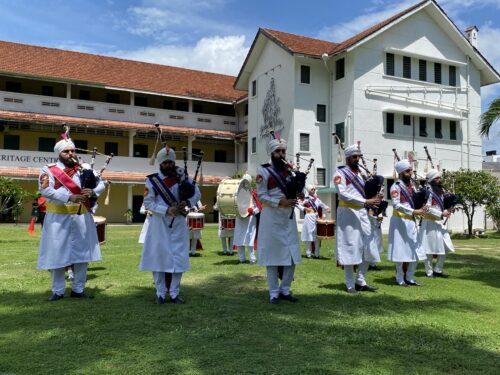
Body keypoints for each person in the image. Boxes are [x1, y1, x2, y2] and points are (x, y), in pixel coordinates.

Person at [37, 135, 105, 301]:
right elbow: (45, 190)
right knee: (57, 254)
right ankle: (58, 291)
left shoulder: (85, 167)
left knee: (82, 255)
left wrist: (93, 191)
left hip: (81, 217)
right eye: (66, 151)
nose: (70, 153)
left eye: (73, 150)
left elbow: (101, 183)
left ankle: (78, 289)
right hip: (58, 219)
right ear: (59, 153)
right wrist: (69, 197)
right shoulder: (48, 170)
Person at [139, 145, 201, 304]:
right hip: (159, 224)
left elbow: (197, 193)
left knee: (178, 257)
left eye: (171, 162)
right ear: (160, 164)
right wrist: (166, 209)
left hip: (179, 222)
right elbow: (148, 203)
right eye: (166, 163)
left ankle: (174, 293)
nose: (169, 165)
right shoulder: (152, 180)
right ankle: (160, 293)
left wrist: (187, 202)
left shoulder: (183, 177)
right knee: (159, 259)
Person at [256, 136, 301, 304]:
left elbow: (296, 188)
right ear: (271, 152)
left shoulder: (290, 170)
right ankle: (273, 293)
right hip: (272, 217)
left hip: (288, 218)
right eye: (278, 151)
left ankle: (285, 290)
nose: (281, 154)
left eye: (283, 151)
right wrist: (280, 202)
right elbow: (261, 195)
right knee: (272, 257)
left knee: (291, 255)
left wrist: (300, 192)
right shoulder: (263, 171)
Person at [333, 144, 382, 293]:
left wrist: (375, 196)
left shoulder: (362, 173)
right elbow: (342, 194)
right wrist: (365, 201)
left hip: (362, 212)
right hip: (347, 212)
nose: (357, 159)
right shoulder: (340, 173)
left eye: (359, 156)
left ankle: (361, 280)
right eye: (354, 156)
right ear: (347, 158)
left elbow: (365, 193)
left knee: (368, 246)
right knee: (350, 246)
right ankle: (349, 284)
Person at [387, 159, 428, 286]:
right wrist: (414, 211)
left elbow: (415, 200)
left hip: (410, 221)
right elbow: (396, 205)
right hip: (399, 221)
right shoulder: (395, 187)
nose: (411, 173)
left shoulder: (412, 186)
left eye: (411, 170)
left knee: (415, 249)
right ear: (401, 172)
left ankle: (410, 277)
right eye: (408, 171)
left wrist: (423, 204)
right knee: (400, 250)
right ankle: (400, 278)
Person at [419, 169, 455, 278]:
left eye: (439, 178)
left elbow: (441, 206)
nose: (439, 180)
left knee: (444, 246)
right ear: (431, 180)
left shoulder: (439, 191)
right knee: (429, 249)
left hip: (439, 222)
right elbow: (427, 209)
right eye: (437, 178)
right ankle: (429, 272)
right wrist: (441, 213)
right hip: (429, 222)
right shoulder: (427, 191)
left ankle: (438, 270)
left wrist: (448, 210)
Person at [233, 174, 260, 264]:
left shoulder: (254, 193)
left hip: (250, 219)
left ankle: (252, 258)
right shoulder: (236, 192)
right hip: (240, 218)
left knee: (250, 238)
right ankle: (241, 259)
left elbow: (259, 207)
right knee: (240, 238)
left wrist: (253, 211)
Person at [298, 184, 330, 258]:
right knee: (309, 236)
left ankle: (317, 254)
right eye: (312, 189)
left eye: (314, 189)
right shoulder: (305, 199)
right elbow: (297, 204)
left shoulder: (317, 199)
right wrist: (304, 209)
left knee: (317, 236)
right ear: (308, 191)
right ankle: (308, 254)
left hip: (316, 218)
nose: (313, 190)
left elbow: (322, 204)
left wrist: (327, 208)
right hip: (308, 218)